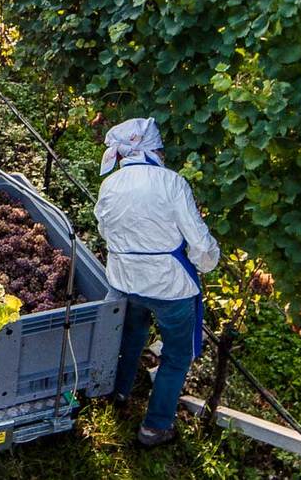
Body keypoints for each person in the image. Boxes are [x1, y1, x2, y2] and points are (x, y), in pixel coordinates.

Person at [95, 117, 222, 447]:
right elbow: (200, 242)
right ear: (155, 150)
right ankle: (154, 427)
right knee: (177, 356)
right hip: (169, 288)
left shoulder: (110, 185)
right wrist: (206, 264)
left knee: (131, 333)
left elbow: (104, 231)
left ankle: (119, 391)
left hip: (124, 282)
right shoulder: (172, 183)